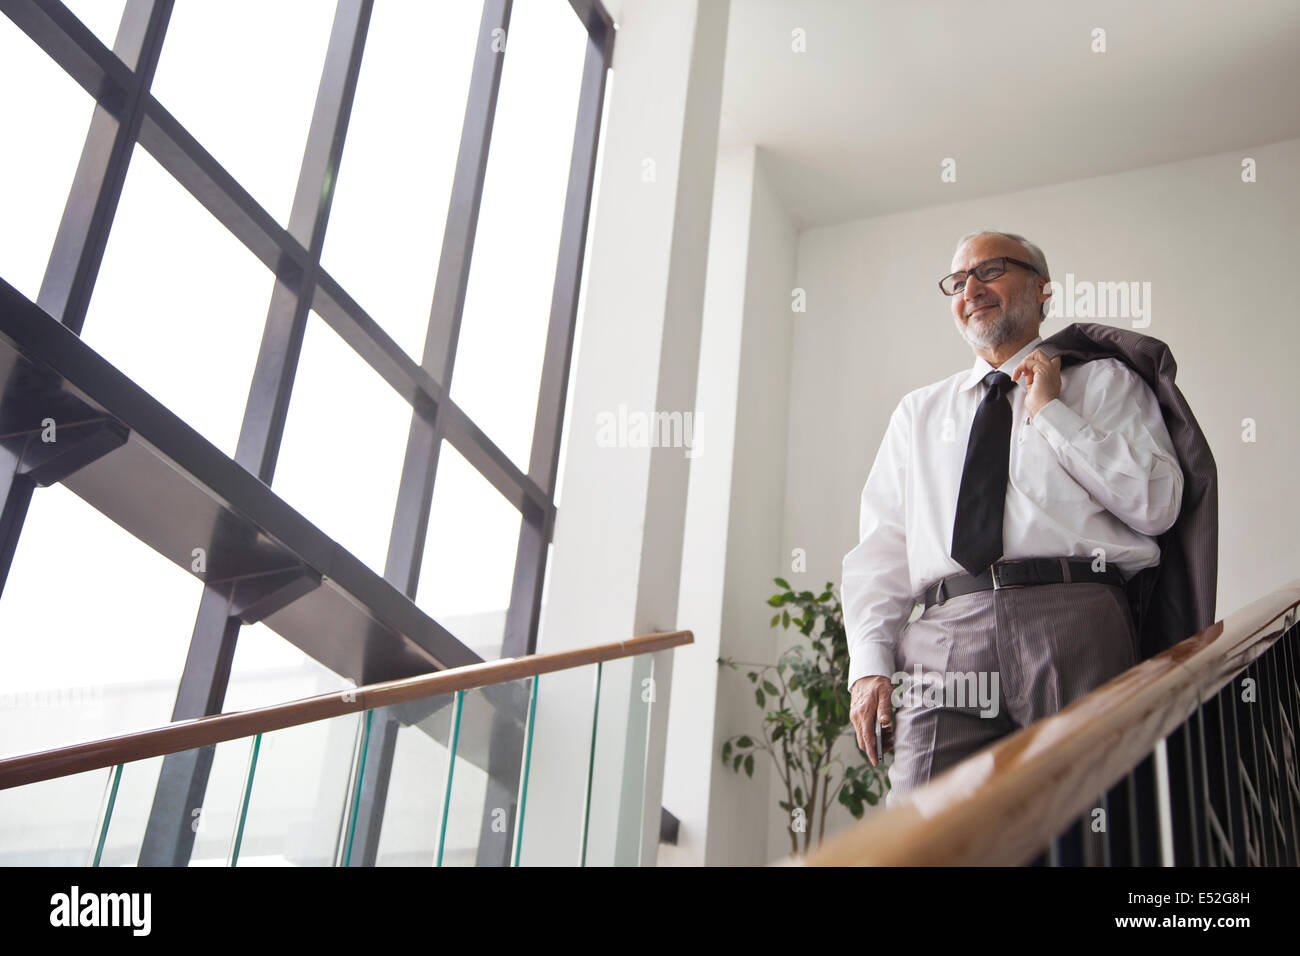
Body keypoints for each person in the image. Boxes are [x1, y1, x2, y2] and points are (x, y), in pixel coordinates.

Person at [842, 230, 1184, 808]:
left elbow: (1157, 504)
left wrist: (1052, 411)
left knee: (1090, 824)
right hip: (943, 637)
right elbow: (882, 549)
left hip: (1075, 623)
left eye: (991, 270)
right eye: (956, 281)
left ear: (1043, 289)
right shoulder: (918, 413)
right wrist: (869, 664)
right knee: (923, 833)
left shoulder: (1104, 382)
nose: (970, 288)